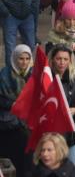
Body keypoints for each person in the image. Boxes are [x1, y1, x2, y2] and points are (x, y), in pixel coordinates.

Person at [0, 44, 32, 174]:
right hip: (9, 126)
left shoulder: (33, 75)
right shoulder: (4, 76)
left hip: (27, 126)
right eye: (20, 58)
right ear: (14, 58)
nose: (24, 62)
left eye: (27, 59)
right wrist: (13, 105)